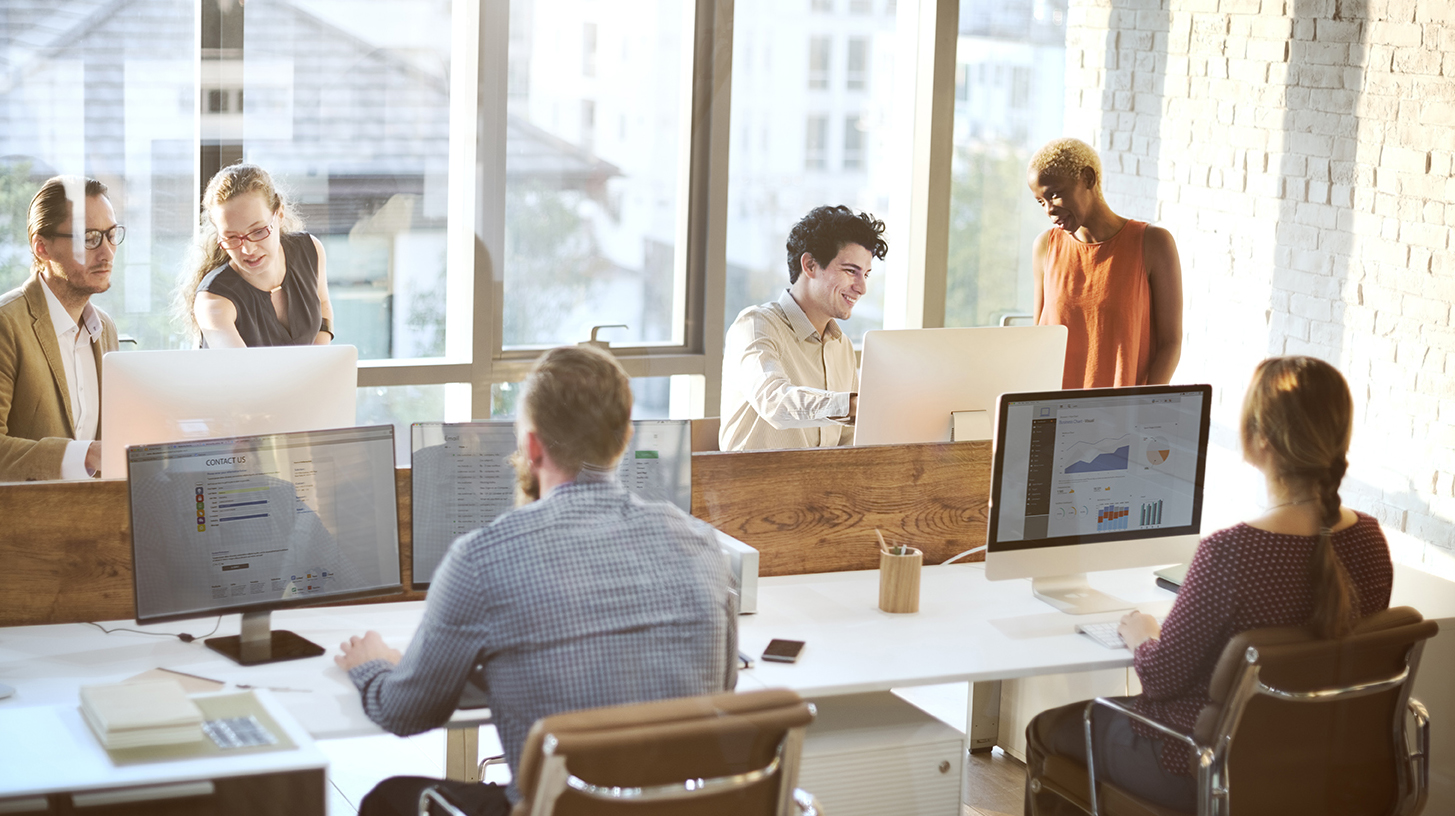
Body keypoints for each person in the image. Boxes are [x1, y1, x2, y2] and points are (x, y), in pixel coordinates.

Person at [335, 345, 738, 816]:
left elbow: (405, 713)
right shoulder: (702, 544)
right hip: (678, 809)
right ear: (626, 437)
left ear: (529, 447)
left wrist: (373, 665)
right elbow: (721, 688)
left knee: (388, 799)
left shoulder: (482, 559)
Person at [1023, 356, 1393, 815]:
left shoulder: (1233, 552)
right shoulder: (1369, 541)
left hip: (1201, 763)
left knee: (1046, 729)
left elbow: (1159, 680)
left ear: (1259, 439)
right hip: (1321, 767)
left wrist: (1144, 637)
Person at [719, 204, 888, 451]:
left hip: (820, 487)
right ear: (809, 265)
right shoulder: (755, 326)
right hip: (754, 487)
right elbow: (774, 402)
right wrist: (851, 406)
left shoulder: (841, 346)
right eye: (851, 271)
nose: (861, 288)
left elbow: (848, 443)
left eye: (866, 275)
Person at [1028, 137, 1182, 389]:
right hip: (1055, 413)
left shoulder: (1153, 243)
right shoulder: (1045, 247)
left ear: (1088, 178)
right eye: (1040, 201)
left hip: (1124, 414)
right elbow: (1040, 338)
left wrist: (1146, 405)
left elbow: (1170, 343)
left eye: (1054, 195)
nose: (1048, 209)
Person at [0, 176, 122, 481]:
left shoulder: (105, 329)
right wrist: (86, 454)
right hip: (23, 525)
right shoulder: (7, 324)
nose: (107, 252)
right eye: (89, 237)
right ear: (41, 247)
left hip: (95, 521)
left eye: (111, 235)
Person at [180, 164, 334, 348]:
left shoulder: (311, 251)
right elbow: (244, 372)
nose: (248, 250)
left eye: (258, 231)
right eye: (231, 237)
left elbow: (323, 304)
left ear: (280, 214)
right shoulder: (212, 301)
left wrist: (320, 362)